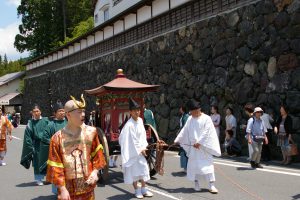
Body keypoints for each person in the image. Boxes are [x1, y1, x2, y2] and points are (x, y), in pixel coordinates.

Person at [46, 95, 106, 200]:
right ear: (68, 115)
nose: (83, 115)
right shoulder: (57, 138)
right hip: (68, 190)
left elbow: (98, 155)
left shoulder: (91, 132)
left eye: (83, 111)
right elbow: (56, 167)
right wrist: (62, 189)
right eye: (79, 112)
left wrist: (95, 172)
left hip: (88, 186)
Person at [174, 99, 221, 194]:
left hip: (203, 147)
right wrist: (177, 139)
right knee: (194, 167)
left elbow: (207, 131)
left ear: (199, 109)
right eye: (191, 111)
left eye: (193, 111)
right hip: (193, 148)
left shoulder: (206, 118)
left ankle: (212, 185)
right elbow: (184, 130)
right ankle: (196, 184)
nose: (192, 113)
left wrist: (199, 142)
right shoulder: (190, 119)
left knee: (208, 166)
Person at [119, 98, 153, 199]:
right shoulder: (129, 125)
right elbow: (132, 140)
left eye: (138, 110)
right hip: (132, 152)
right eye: (135, 110)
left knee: (143, 170)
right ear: (130, 112)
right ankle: (137, 190)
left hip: (140, 150)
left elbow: (143, 135)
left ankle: (144, 189)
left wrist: (144, 146)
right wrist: (140, 149)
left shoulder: (141, 120)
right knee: (134, 172)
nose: (137, 112)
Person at [39, 102, 67, 194]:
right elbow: (44, 138)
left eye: (63, 111)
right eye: (60, 111)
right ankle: (57, 192)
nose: (62, 113)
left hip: (68, 154)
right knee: (57, 174)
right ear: (55, 113)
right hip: (56, 156)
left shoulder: (69, 123)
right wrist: (55, 143)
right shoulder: (50, 125)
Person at [20, 104, 50, 186]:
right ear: (32, 113)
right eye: (34, 111)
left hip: (46, 144)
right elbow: (27, 136)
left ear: (40, 112)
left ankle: (48, 178)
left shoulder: (46, 121)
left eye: (37, 111)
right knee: (37, 162)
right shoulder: (30, 123)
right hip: (37, 145)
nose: (36, 113)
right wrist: (30, 146)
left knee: (48, 161)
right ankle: (38, 179)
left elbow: (51, 131)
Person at [178, 105, 189, 173]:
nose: (179, 109)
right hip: (184, 135)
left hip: (185, 136)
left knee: (184, 152)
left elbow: (184, 127)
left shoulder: (186, 117)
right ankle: (185, 167)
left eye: (180, 108)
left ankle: (186, 167)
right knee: (184, 151)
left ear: (182, 109)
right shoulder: (184, 116)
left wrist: (181, 134)